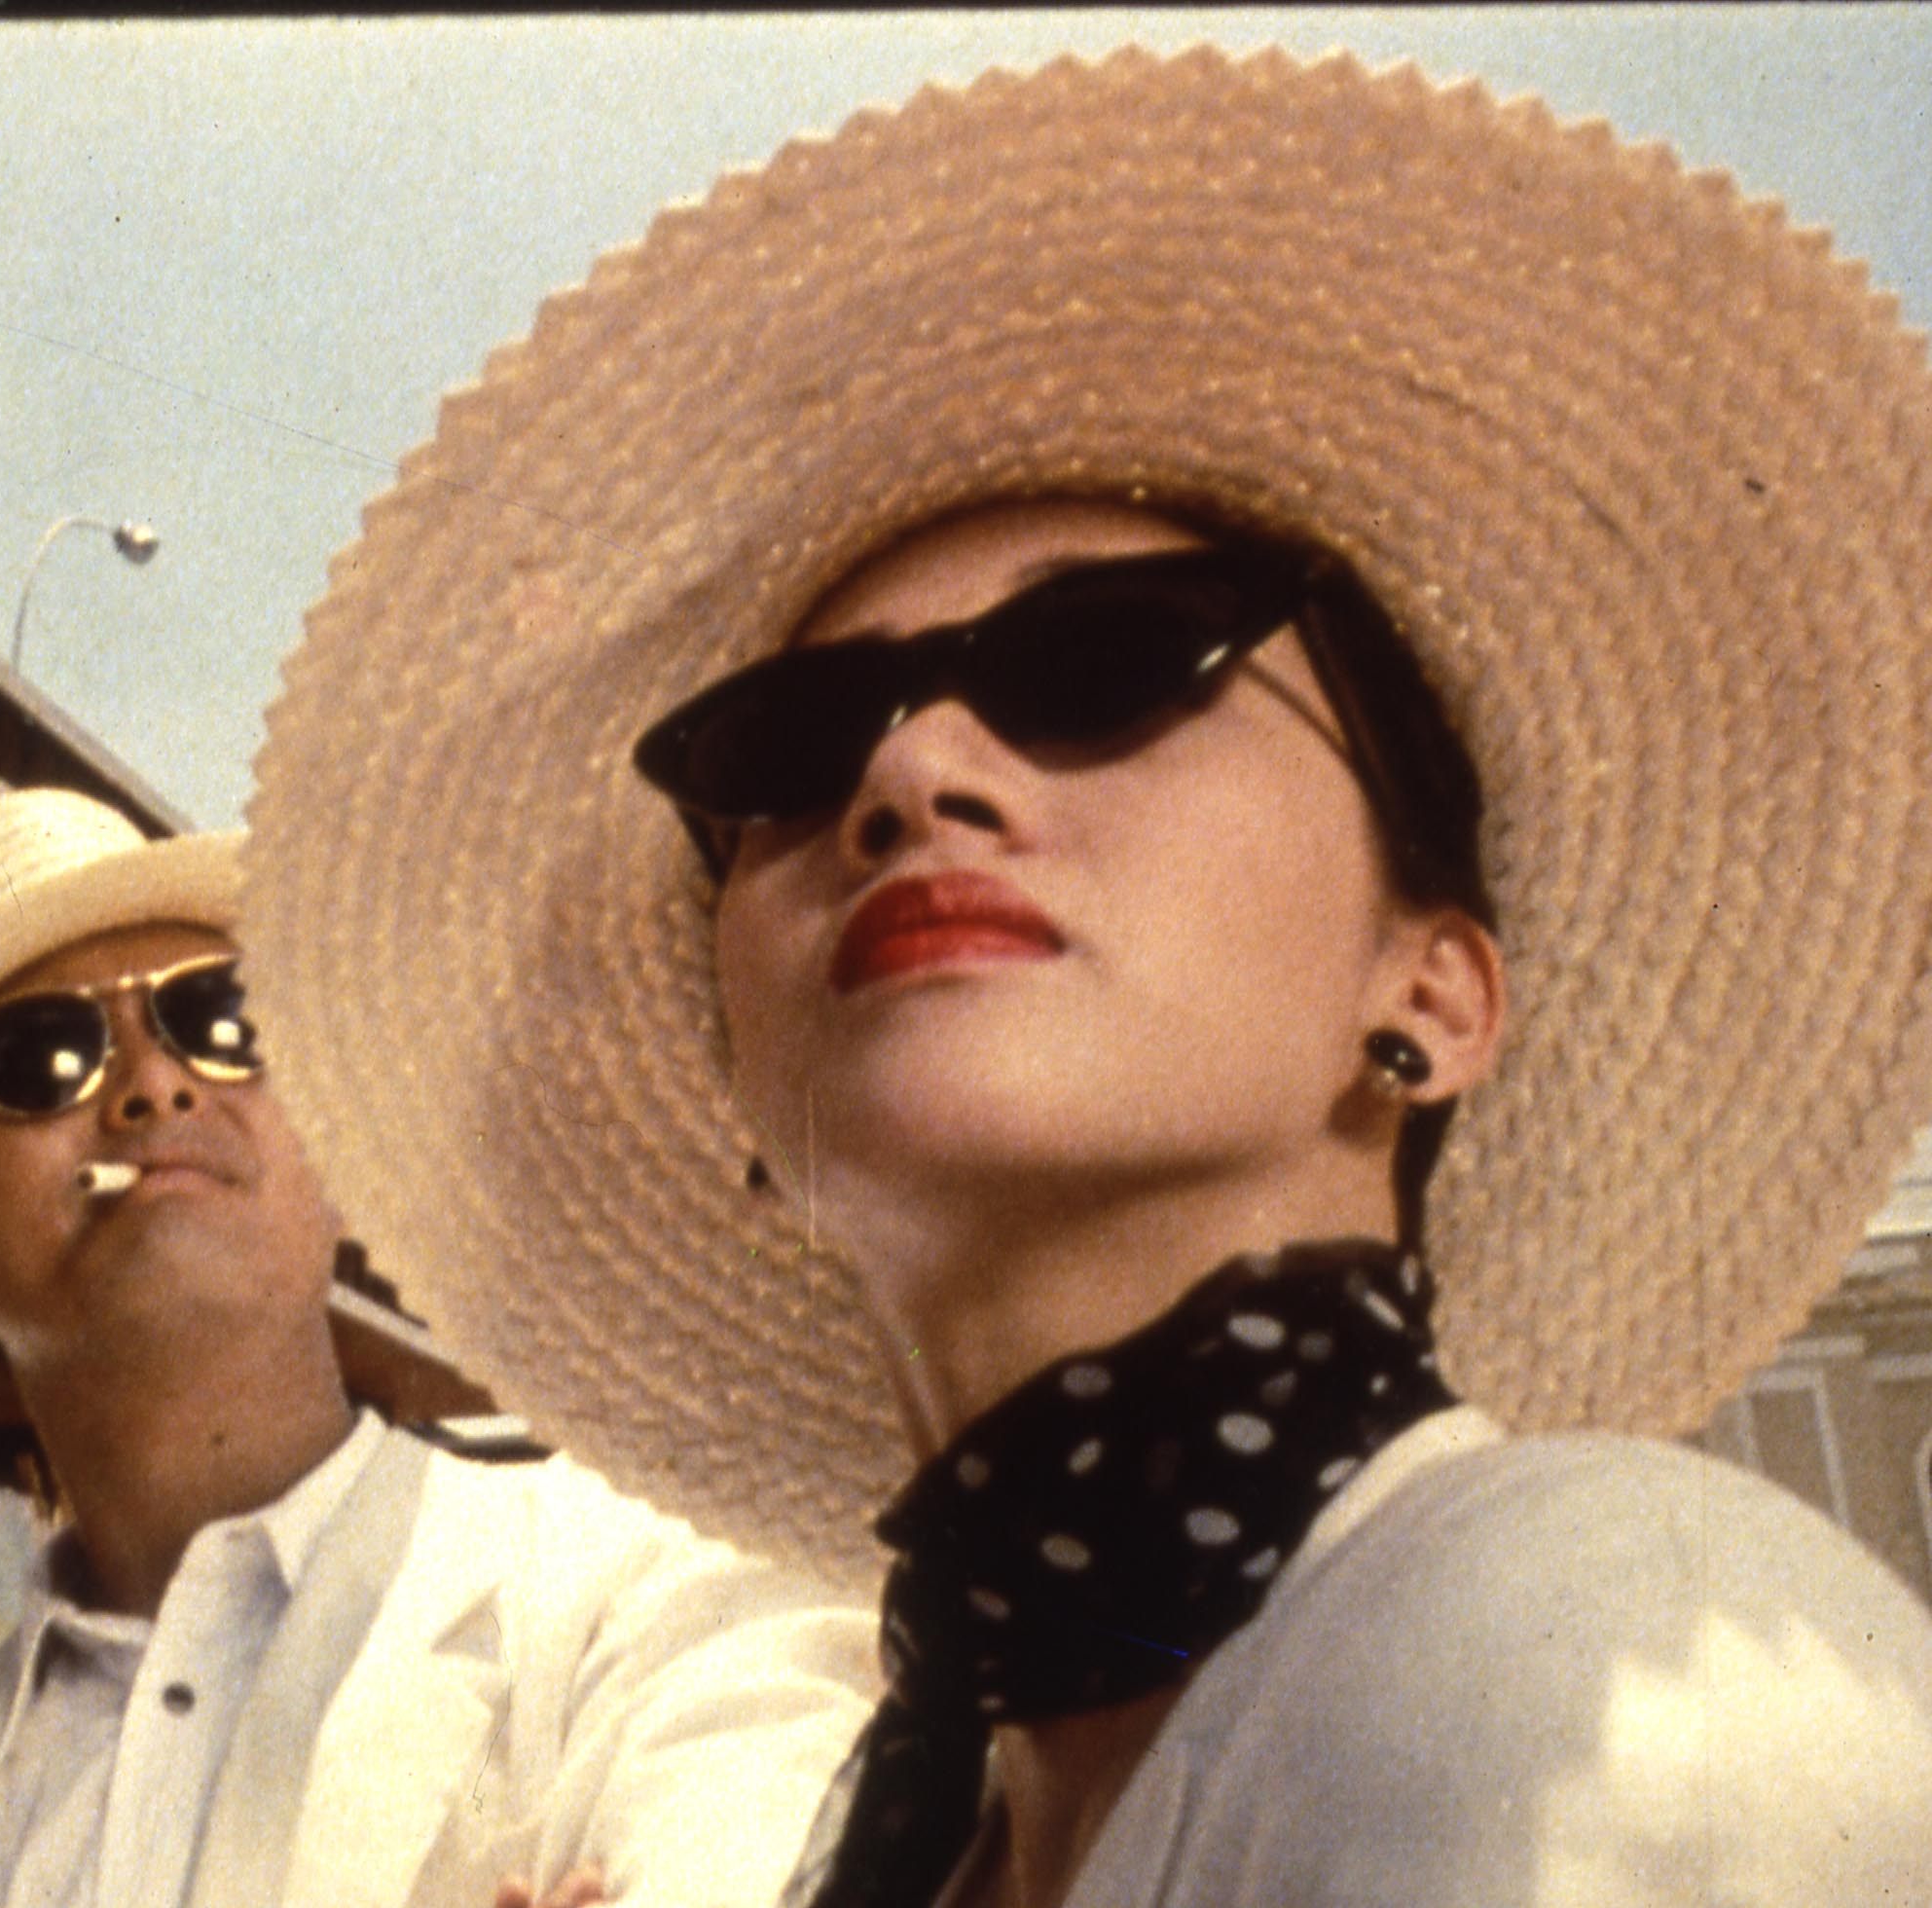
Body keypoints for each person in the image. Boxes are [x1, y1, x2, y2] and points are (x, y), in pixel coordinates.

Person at [241, 45, 1932, 1908]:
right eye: (793, 744)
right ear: (741, 1101)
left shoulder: (1626, 1660)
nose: (906, 777)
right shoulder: (910, 1823)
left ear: (1434, 1000)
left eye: (1108, 663)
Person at [0, 784, 875, 1908]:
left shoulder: (655, 1592)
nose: (153, 1084)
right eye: (37, 1054)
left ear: (338, 1162)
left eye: (220, 1020)